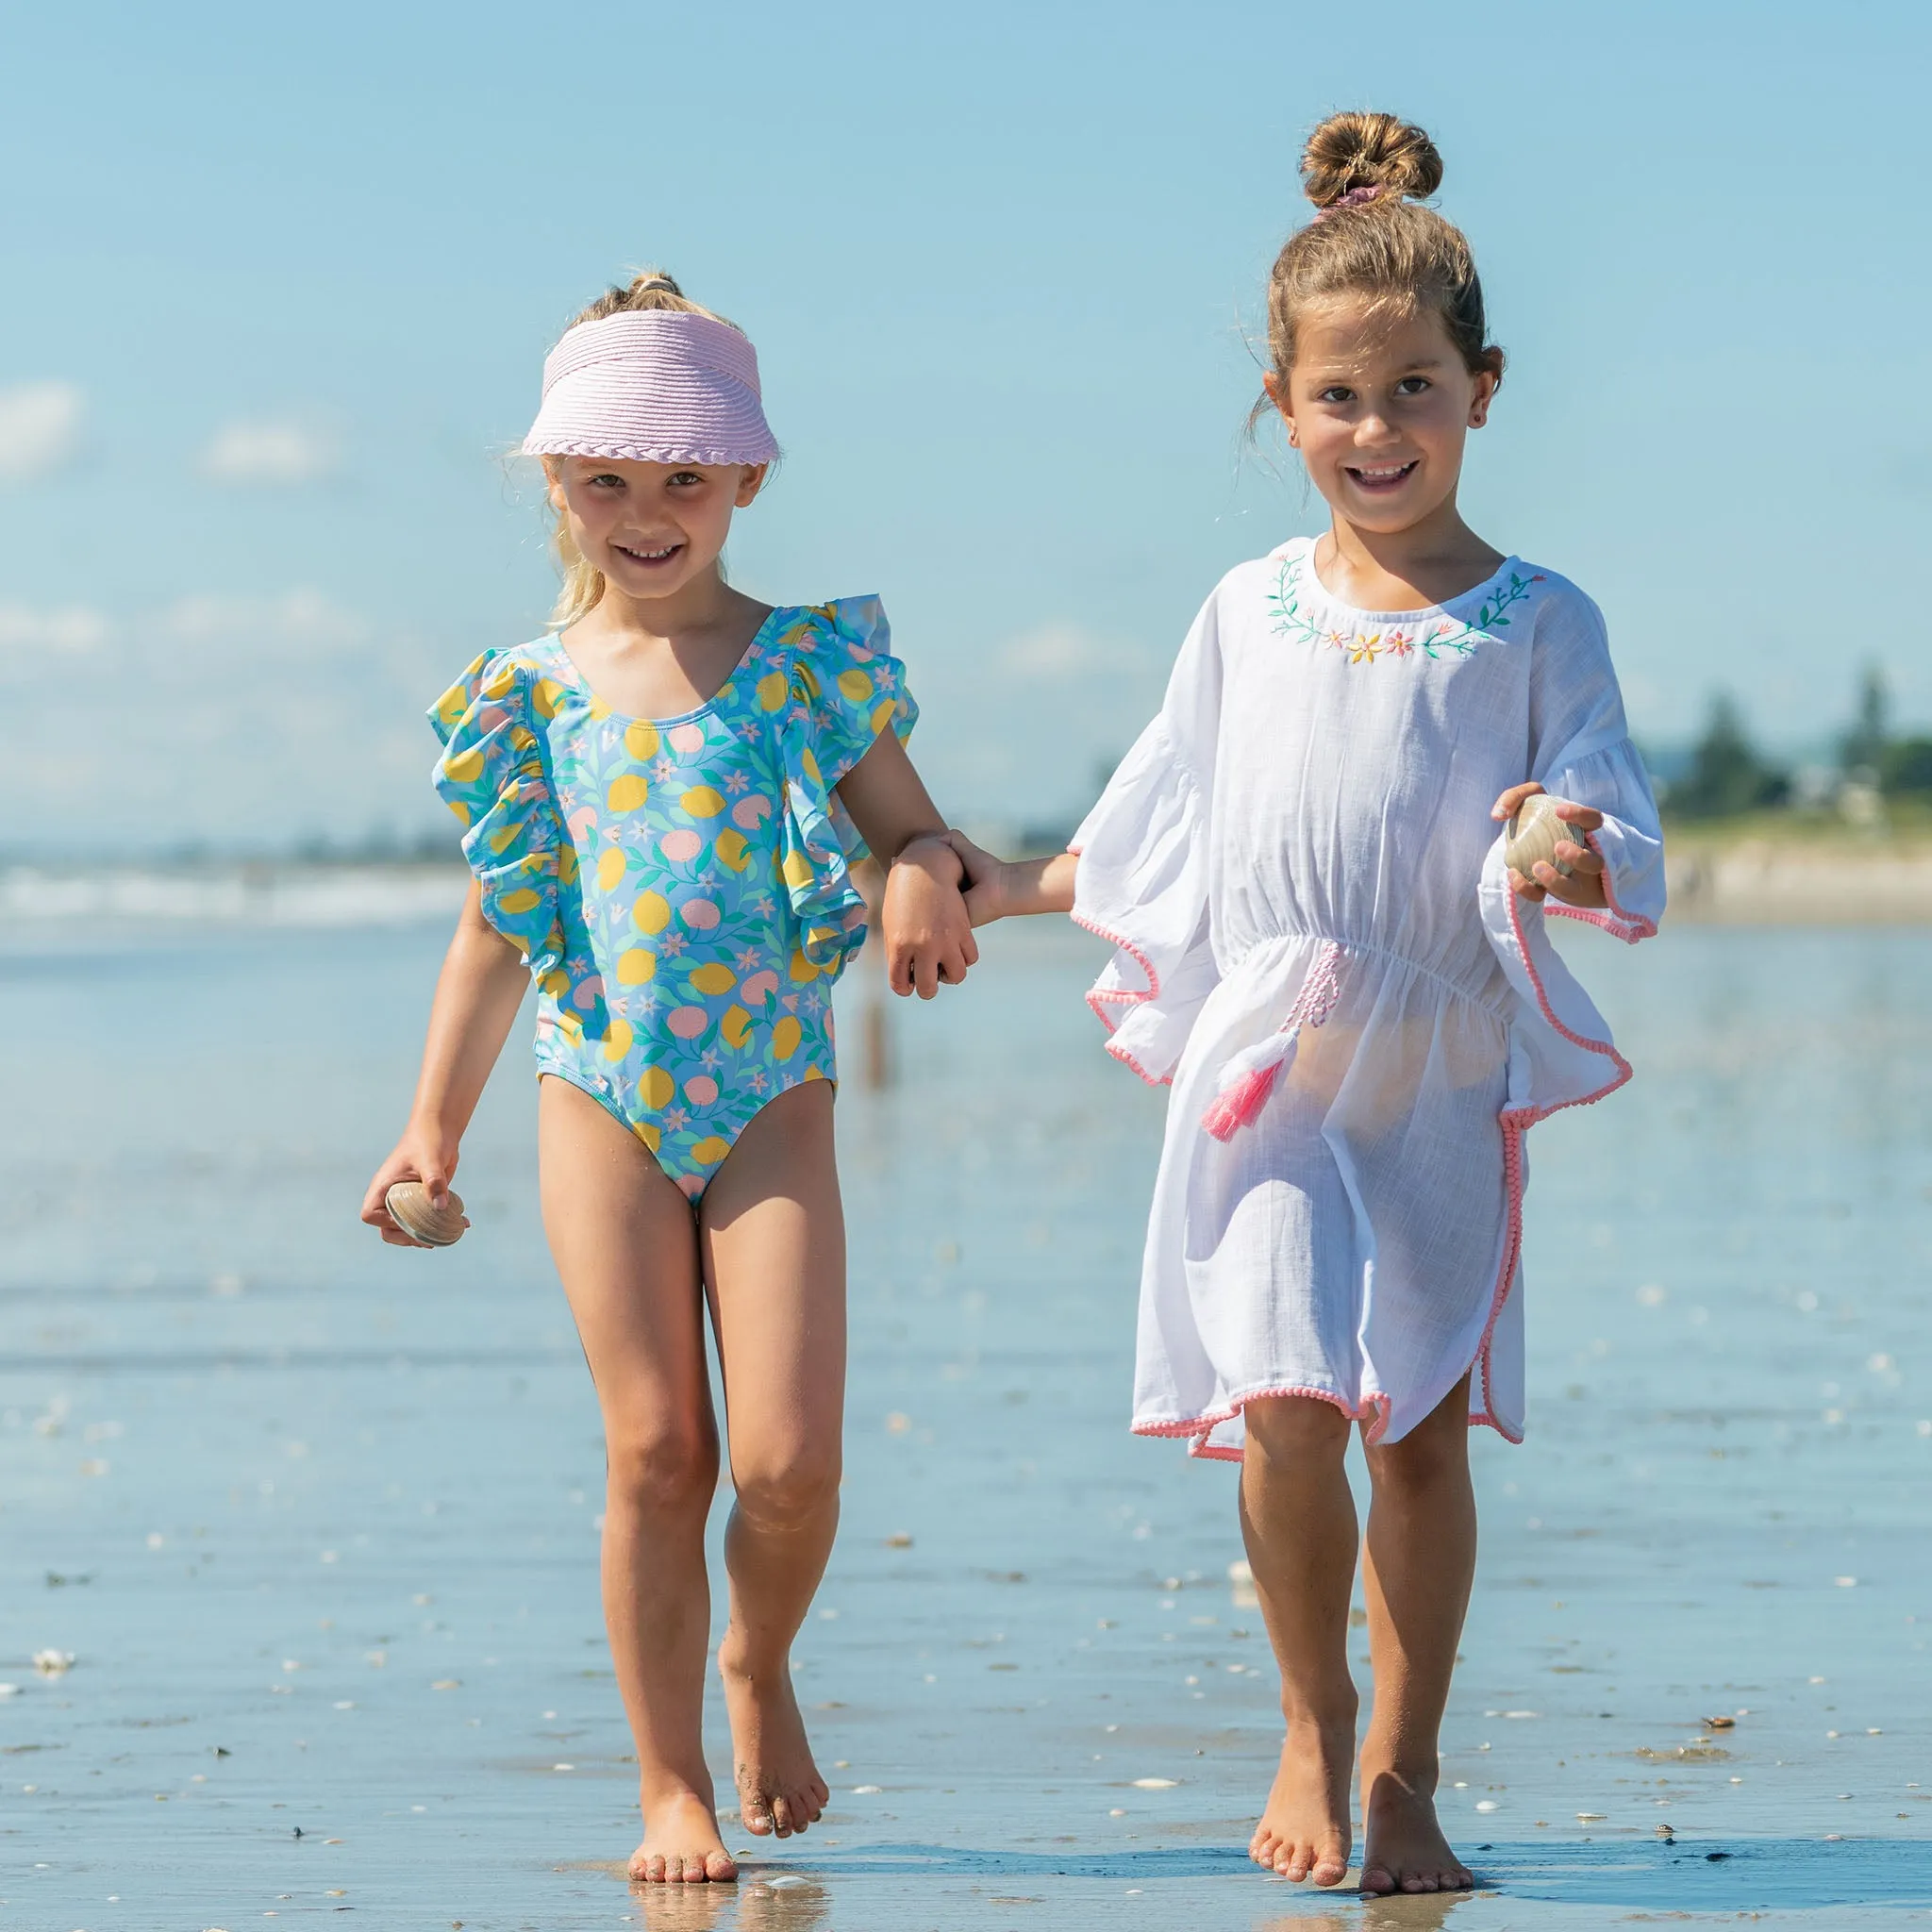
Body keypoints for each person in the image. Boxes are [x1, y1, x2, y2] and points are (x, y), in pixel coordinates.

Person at [944, 112, 1663, 1896]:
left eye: (1413, 388)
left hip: (1431, 1072)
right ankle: (1310, 1720)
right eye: (1338, 398)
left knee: (1411, 1432)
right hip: (1264, 1069)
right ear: (1281, 406)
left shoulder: (1537, 620)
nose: (1376, 430)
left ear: (1484, 390)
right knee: (1278, 1408)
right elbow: (1156, 822)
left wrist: (1570, 845)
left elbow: (1615, 820)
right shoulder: (1243, 612)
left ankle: (1411, 1768)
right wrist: (994, 883)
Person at [360, 271, 974, 1885]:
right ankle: (668, 1787)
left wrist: (914, 870)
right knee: (657, 1451)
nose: (646, 514)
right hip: (599, 1096)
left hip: (770, 1091)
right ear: (555, 479)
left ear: (748, 479)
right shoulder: (531, 696)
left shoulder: (803, 669)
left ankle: (757, 1660)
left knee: (783, 1464)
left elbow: (911, 828)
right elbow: (500, 932)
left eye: (683, 480)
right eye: (608, 480)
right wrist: (430, 1129)